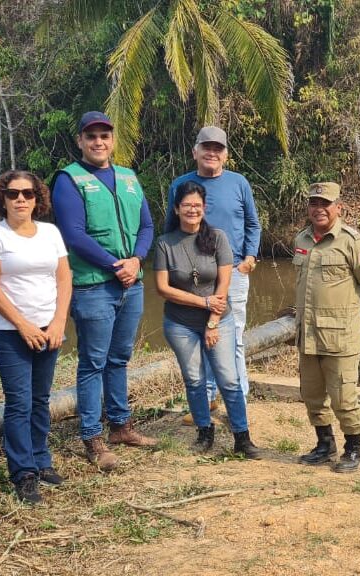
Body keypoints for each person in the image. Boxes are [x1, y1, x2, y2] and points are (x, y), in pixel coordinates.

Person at [52, 111, 157, 472]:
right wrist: (117, 265)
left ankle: (121, 426)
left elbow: (146, 225)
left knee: (119, 358)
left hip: (132, 283)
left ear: (113, 140)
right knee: (93, 362)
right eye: (91, 136)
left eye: (105, 136)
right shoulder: (70, 179)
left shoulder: (128, 177)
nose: (99, 142)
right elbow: (74, 234)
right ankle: (92, 436)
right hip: (94, 286)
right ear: (81, 141)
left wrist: (137, 260)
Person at [0, 170, 71, 504]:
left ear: (37, 199)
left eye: (27, 194)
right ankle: (23, 473)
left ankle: (41, 460)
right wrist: (23, 325)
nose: (20, 200)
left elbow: (63, 279)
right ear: (1, 198)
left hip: (49, 329)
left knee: (40, 399)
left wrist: (58, 321)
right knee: (18, 402)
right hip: (11, 333)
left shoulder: (50, 233)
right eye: (13, 193)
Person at [155, 181, 260, 458]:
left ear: (204, 208)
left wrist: (212, 320)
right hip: (180, 323)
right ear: (176, 209)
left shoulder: (218, 238)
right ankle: (204, 431)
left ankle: (242, 435)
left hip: (219, 320)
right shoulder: (166, 243)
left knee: (228, 378)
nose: (192, 210)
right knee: (194, 379)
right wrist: (202, 302)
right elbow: (163, 289)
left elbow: (223, 285)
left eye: (197, 205)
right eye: (187, 205)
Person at [166, 126, 260, 425]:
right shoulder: (181, 185)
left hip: (231, 271)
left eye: (218, 148)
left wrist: (248, 257)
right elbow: (169, 229)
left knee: (233, 337)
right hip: (192, 276)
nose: (212, 152)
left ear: (226, 154)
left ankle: (238, 401)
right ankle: (205, 402)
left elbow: (252, 223)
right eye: (206, 147)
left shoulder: (238, 182)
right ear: (195, 151)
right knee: (198, 335)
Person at [292, 182, 360, 473]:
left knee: (344, 397)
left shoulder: (351, 242)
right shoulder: (302, 240)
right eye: (314, 203)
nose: (319, 209)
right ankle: (324, 444)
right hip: (308, 334)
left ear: (338, 208)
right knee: (312, 394)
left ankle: (353, 448)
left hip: (340, 336)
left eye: (325, 204)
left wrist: (346, 312)